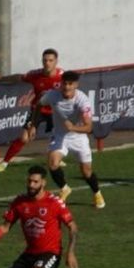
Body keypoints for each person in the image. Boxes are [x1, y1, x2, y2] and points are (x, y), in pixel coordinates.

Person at [0, 48, 64, 173]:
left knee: (62, 135)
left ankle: (56, 157)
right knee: (24, 138)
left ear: (56, 61)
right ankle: (4, 163)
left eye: (51, 60)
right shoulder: (36, 75)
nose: (47, 63)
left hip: (56, 112)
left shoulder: (62, 77)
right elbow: (19, 77)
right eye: (45, 60)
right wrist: (0, 79)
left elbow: (73, 90)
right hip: (38, 110)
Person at [39, 70, 106, 209]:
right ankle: (65, 189)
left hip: (79, 138)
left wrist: (73, 128)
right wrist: (32, 125)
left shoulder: (82, 100)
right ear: (61, 83)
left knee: (86, 171)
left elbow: (88, 127)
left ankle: (97, 193)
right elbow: (39, 104)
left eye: (70, 84)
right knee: (52, 163)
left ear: (76, 85)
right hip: (59, 136)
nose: (67, 87)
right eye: (64, 83)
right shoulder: (52, 95)